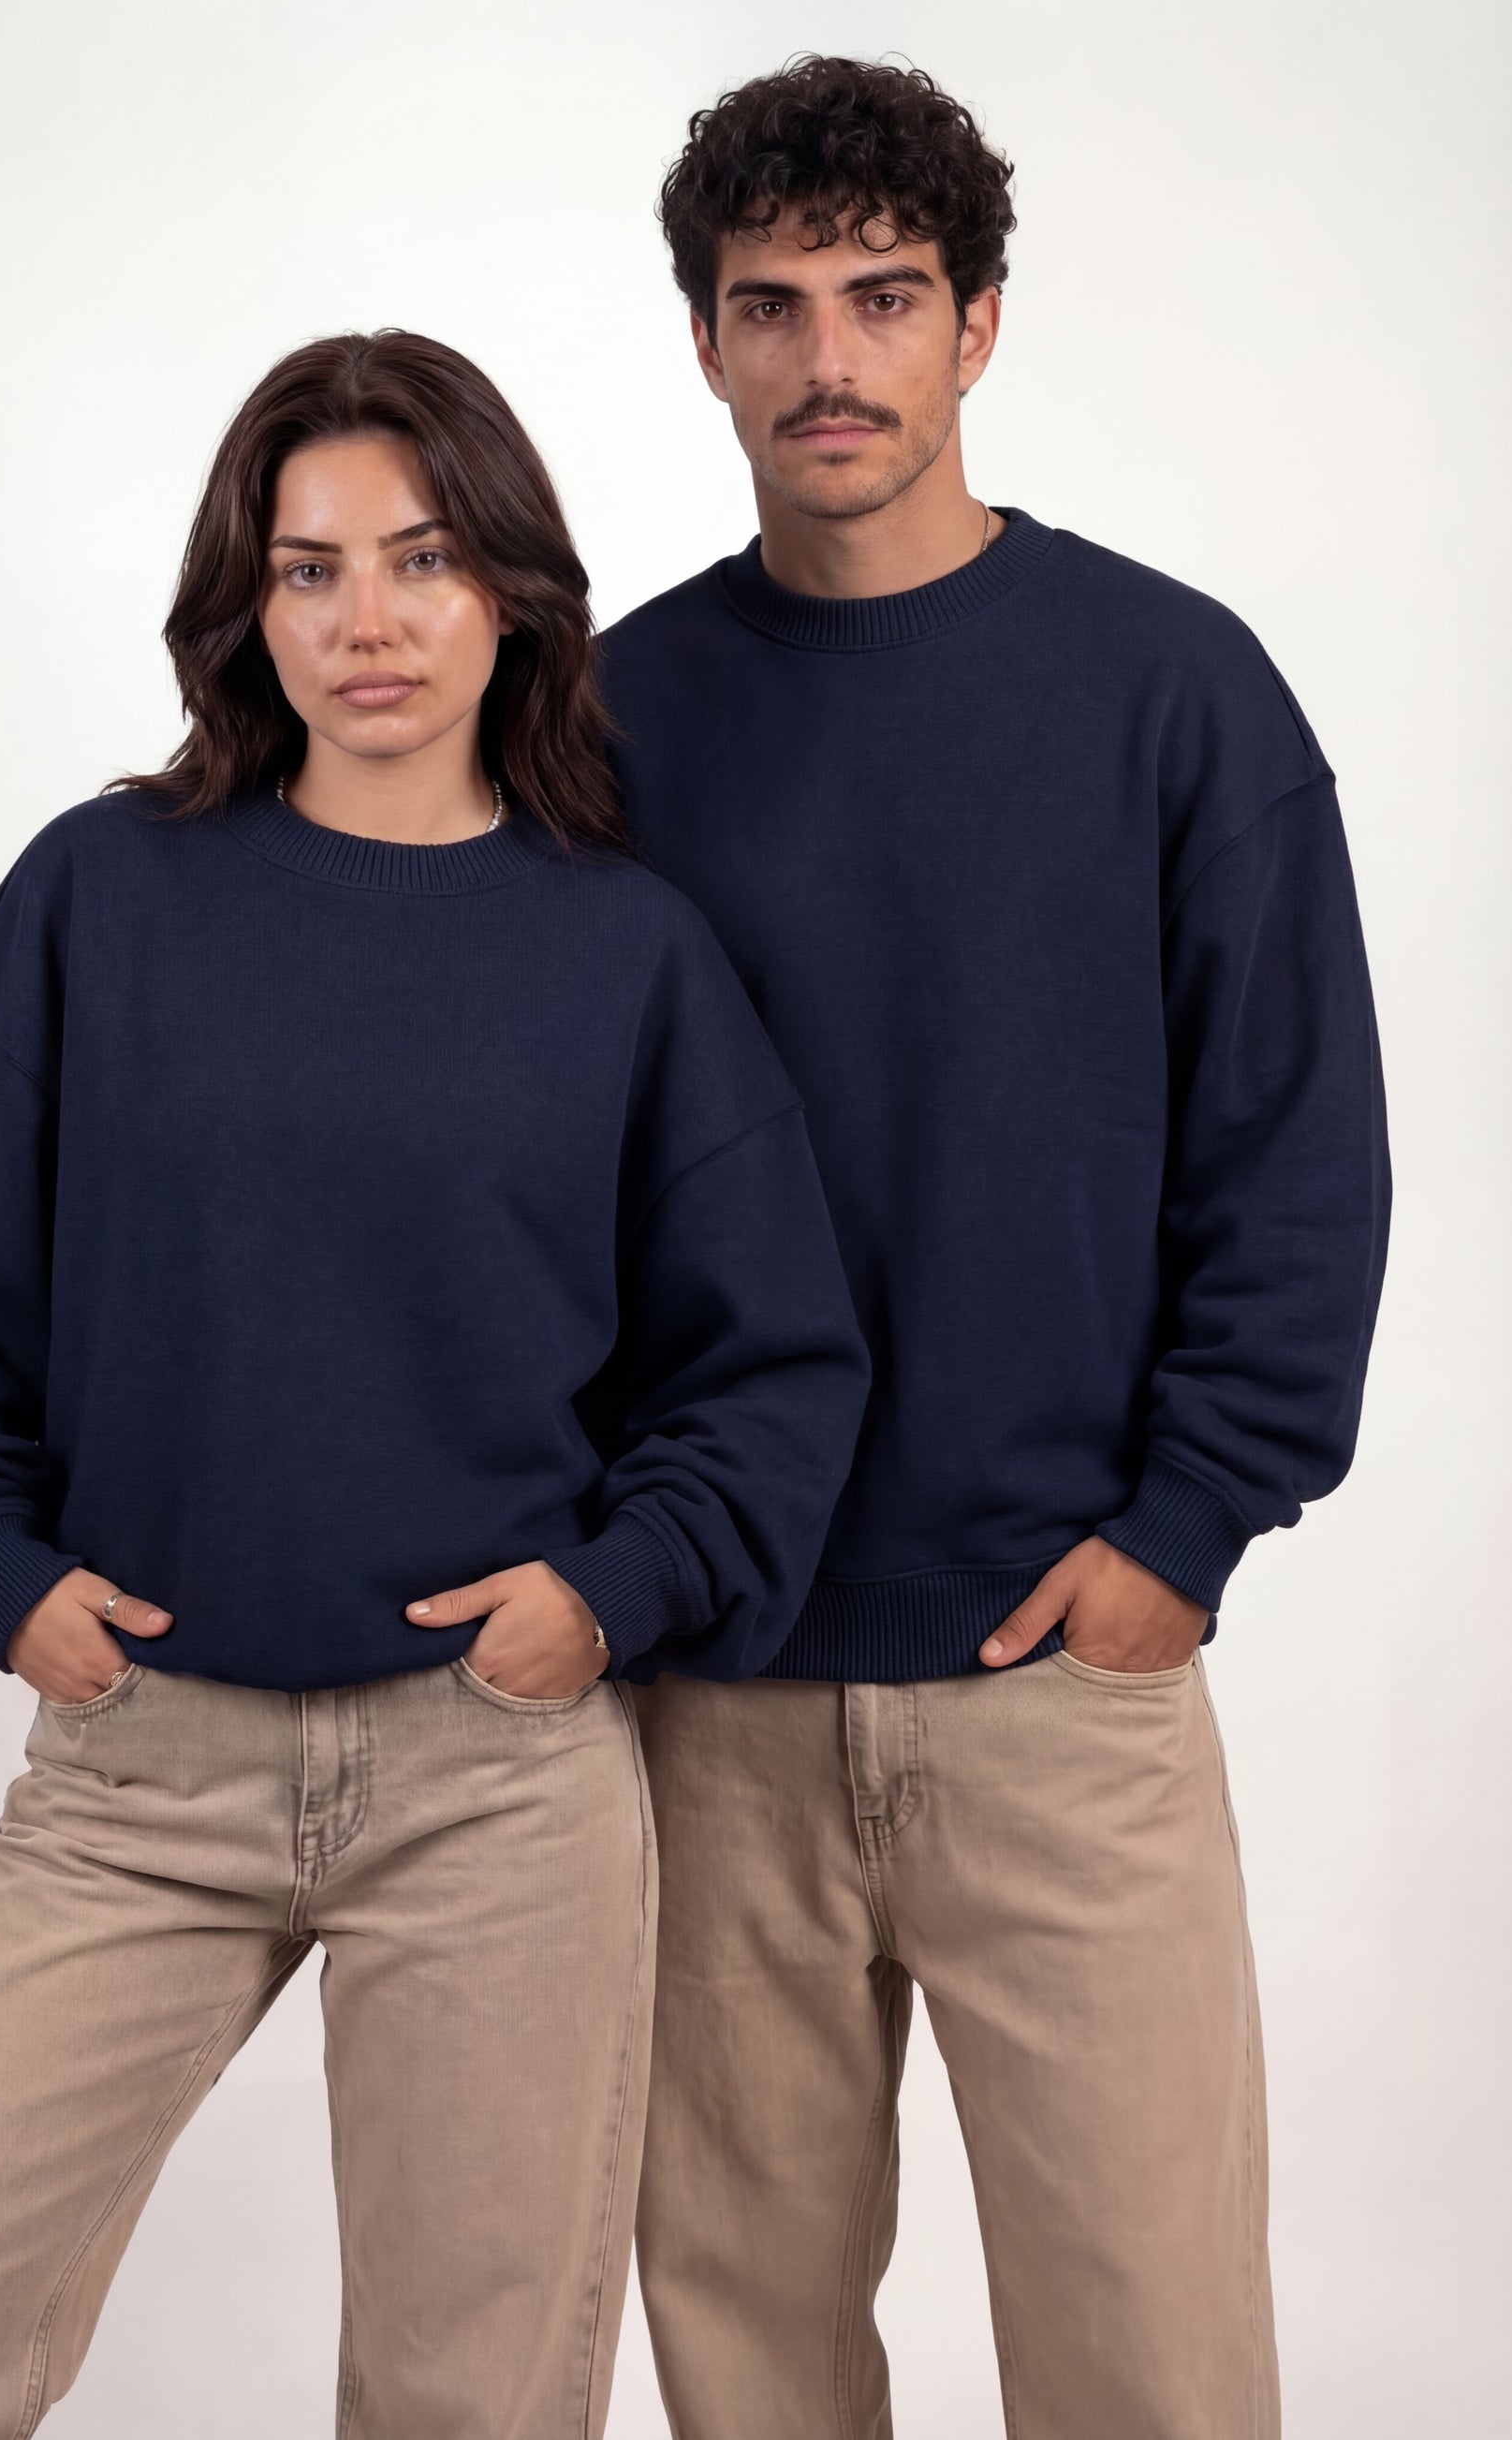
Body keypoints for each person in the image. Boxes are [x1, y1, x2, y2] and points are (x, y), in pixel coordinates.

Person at [0, 330, 870, 2440]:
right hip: (138, 1767)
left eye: (424, 558)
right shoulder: (101, 896)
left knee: (469, 2406)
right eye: (310, 568)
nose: (370, 620)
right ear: (247, 607)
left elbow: (769, 1363)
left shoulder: (625, 954)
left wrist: (609, 1596)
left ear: (511, 593)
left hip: (496, 1781)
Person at [604, 57, 1389, 2440]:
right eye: (771, 306)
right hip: (707, 1690)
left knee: (1151, 2362)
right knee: (746, 2361)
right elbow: (515, 1154)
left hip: (1065, 1668)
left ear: (978, 326)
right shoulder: (613, 720)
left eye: (883, 296)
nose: (827, 358)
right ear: (704, 341)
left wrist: (1182, 1531)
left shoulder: (1171, 689)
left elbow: (1294, 1149)